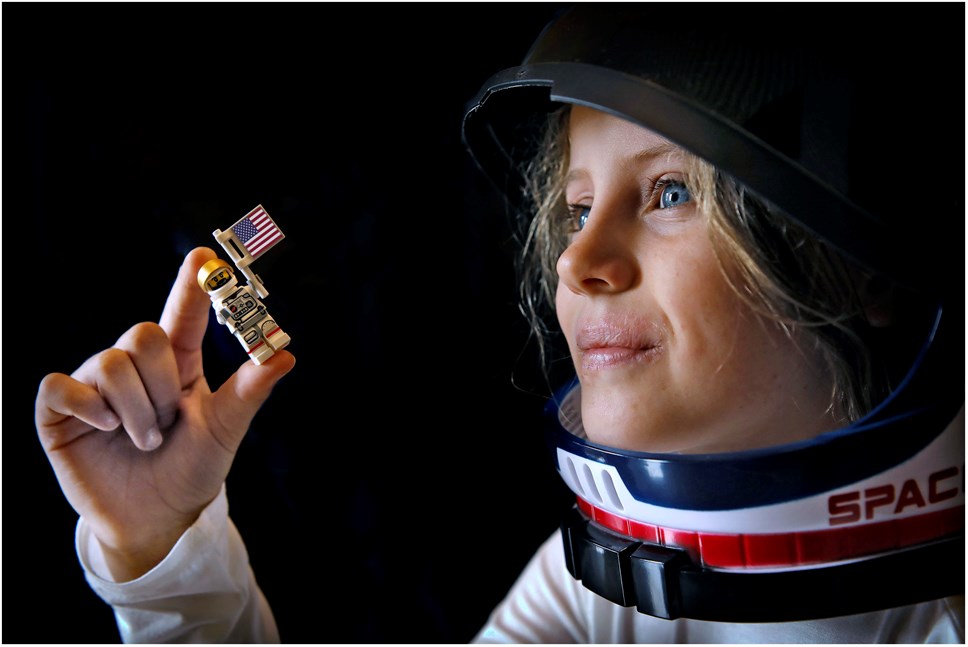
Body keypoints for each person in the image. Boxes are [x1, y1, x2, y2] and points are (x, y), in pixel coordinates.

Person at [34, 4, 964, 643]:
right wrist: (164, 554)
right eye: (575, 207)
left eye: (672, 192)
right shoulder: (601, 594)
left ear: (862, 266)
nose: (575, 260)